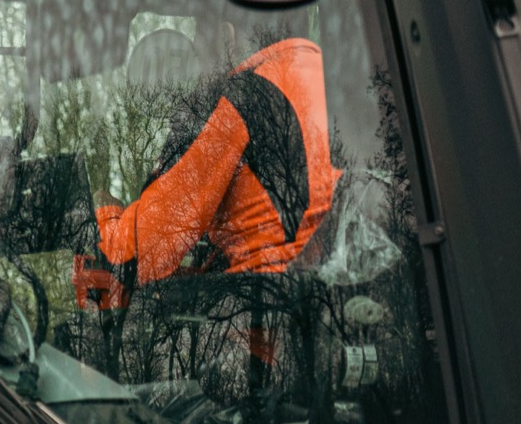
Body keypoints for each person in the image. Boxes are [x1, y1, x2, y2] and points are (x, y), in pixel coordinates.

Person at [94, 29, 338, 284]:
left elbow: (140, 257)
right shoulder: (319, 72)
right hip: (322, 287)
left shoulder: (234, 102)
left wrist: (104, 213)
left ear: (227, 32)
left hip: (267, 292)